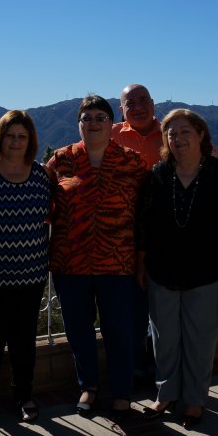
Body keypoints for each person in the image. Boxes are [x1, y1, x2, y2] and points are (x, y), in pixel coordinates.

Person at [46, 94, 147, 418]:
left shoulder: (131, 162)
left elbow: (145, 214)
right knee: (79, 331)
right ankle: (88, 386)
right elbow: (43, 205)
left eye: (100, 117)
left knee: (120, 330)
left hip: (118, 263)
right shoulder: (61, 160)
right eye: (86, 118)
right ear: (79, 124)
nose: (93, 123)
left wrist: (142, 260)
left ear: (112, 123)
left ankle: (121, 391)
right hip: (70, 263)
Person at [136, 109, 218, 429]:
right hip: (162, 271)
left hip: (207, 273)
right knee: (164, 340)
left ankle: (194, 400)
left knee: (200, 342)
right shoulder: (158, 174)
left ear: (201, 134)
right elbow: (144, 223)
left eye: (185, 131)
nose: (178, 139)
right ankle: (165, 394)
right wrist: (141, 264)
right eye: (171, 133)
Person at [0, 110, 51, 425]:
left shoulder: (41, 175)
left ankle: (24, 396)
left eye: (22, 136)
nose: (16, 142)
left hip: (32, 276)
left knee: (24, 342)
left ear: (30, 140)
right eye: (10, 136)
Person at [111, 83, 163, 384]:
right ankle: (134, 366)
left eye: (143, 100)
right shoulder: (111, 135)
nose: (138, 107)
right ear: (122, 110)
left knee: (161, 306)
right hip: (121, 236)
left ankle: (160, 368)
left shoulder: (170, 133)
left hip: (164, 235)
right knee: (130, 306)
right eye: (131, 103)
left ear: (153, 103)